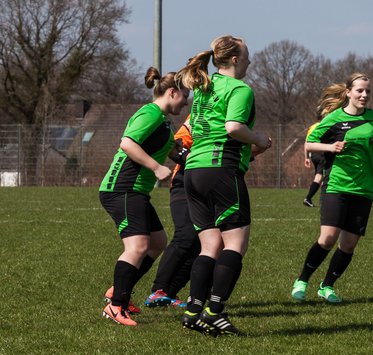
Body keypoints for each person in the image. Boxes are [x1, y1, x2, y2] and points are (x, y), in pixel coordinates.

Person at [178, 35, 272, 336]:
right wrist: (259, 139)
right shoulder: (239, 89)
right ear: (234, 59)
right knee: (235, 243)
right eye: (247, 56)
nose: (250, 61)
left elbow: (191, 126)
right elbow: (233, 127)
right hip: (221, 169)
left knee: (210, 246)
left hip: (192, 171)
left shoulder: (205, 87)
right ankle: (214, 311)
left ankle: (193, 309)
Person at [291, 73, 373, 303]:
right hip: (337, 184)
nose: (364, 95)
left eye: (367, 91)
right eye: (359, 90)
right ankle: (302, 280)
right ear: (348, 92)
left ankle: (327, 286)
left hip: (364, 188)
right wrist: (330, 146)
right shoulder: (334, 118)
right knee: (328, 238)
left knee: (348, 244)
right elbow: (309, 143)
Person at [98, 68, 189, 325]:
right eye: (184, 96)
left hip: (136, 192)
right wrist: (155, 167)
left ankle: (119, 291)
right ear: (172, 92)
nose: (186, 102)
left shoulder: (163, 121)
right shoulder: (150, 114)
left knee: (158, 242)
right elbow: (127, 143)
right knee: (137, 247)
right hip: (122, 189)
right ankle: (116, 306)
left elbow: (169, 148)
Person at [143, 115, 199, 308]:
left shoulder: (235, 115)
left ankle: (169, 293)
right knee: (186, 235)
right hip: (184, 183)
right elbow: (175, 148)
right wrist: (191, 158)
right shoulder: (200, 113)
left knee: (204, 243)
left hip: (212, 185)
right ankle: (158, 291)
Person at [303, 119, 324, 207]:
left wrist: (306, 157)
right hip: (321, 153)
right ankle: (308, 198)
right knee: (320, 176)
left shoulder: (312, 127)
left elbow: (306, 143)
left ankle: (323, 201)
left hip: (313, 154)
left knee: (321, 177)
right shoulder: (325, 125)